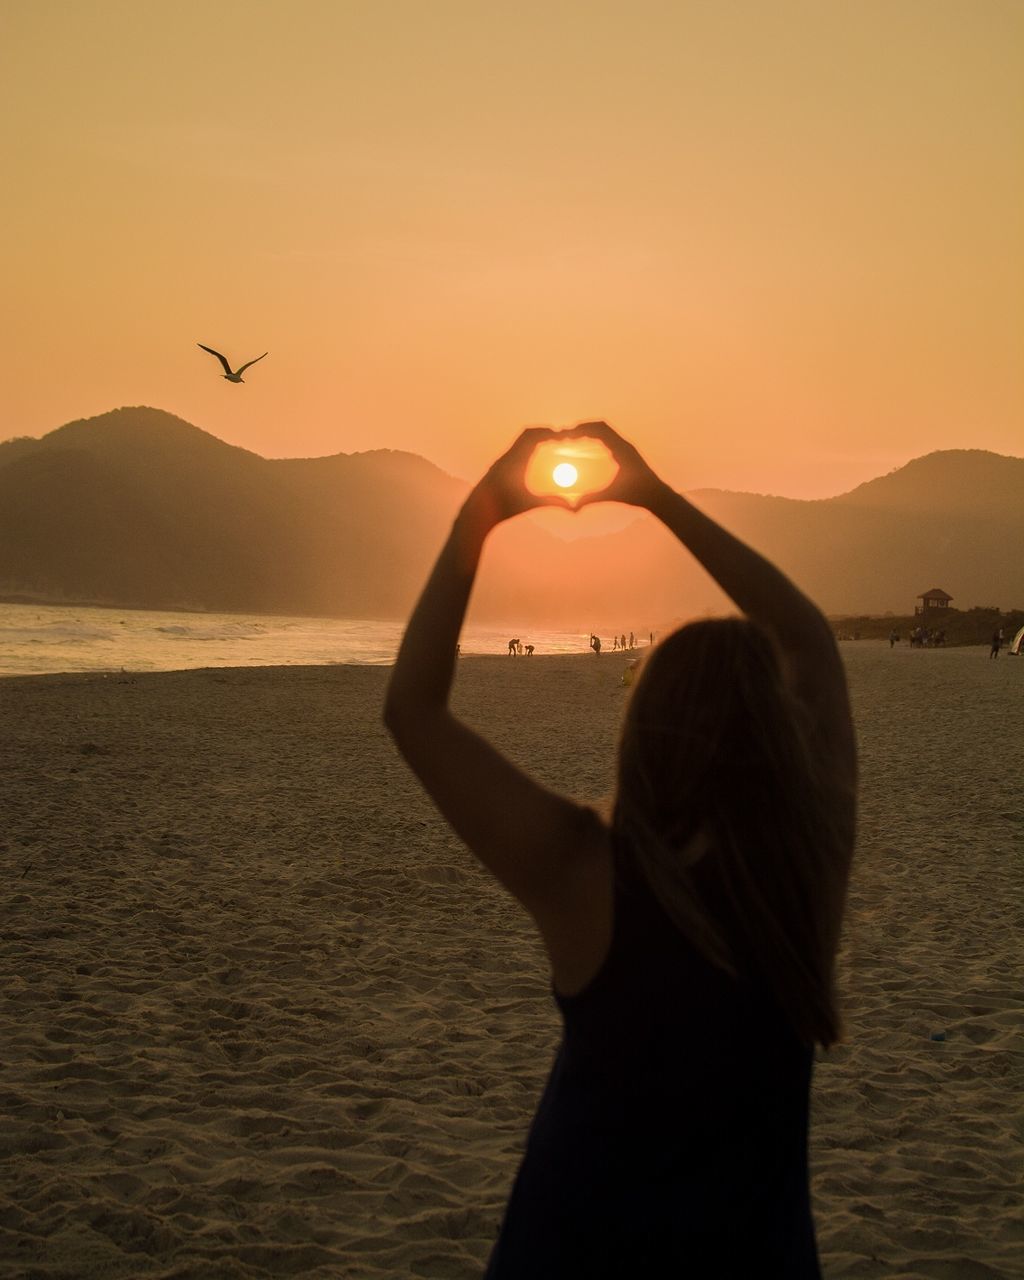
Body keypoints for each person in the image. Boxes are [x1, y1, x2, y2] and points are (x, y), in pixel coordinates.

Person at [384, 422, 857, 1278]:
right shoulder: (804, 865)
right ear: (779, 737)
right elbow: (808, 637)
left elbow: (413, 710)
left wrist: (479, 515)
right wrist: (656, 496)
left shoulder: (581, 867)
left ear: (646, 729)